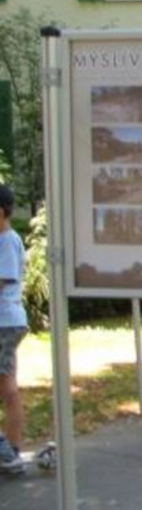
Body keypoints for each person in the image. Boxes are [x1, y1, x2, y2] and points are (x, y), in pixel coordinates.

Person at [0, 185, 27, 473]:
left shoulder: (7, 241)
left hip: (5, 321)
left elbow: (2, 280)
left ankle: (10, 451)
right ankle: (11, 449)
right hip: (7, 321)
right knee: (7, 383)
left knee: (6, 384)